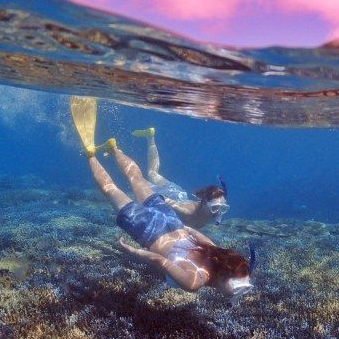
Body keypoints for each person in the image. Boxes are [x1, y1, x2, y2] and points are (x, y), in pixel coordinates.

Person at [69, 97, 254, 296]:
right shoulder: (194, 282)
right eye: (239, 289)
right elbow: (160, 261)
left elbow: (194, 232)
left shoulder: (217, 252)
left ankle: (114, 149)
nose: (239, 294)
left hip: (170, 220)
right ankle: (91, 154)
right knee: (111, 189)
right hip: (147, 230)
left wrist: (182, 229)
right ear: (224, 277)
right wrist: (133, 252)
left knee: (137, 178)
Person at [131, 127, 230, 228]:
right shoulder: (186, 210)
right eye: (215, 208)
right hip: (169, 193)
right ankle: (118, 153)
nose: (218, 212)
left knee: (152, 173)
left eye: (223, 208)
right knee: (138, 180)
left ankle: (150, 137)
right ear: (204, 202)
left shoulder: (216, 210)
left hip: (177, 191)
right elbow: (161, 198)